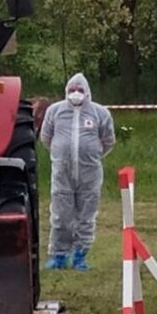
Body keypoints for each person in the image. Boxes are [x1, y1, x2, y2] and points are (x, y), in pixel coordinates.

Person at [40, 73, 116, 271]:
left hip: (89, 173)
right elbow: (46, 138)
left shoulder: (100, 113)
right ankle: (59, 255)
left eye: (80, 90)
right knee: (60, 215)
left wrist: (92, 155)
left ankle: (80, 255)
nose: (76, 93)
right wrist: (60, 154)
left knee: (86, 215)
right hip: (62, 172)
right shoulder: (55, 111)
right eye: (72, 90)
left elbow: (108, 140)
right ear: (66, 91)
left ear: (87, 92)